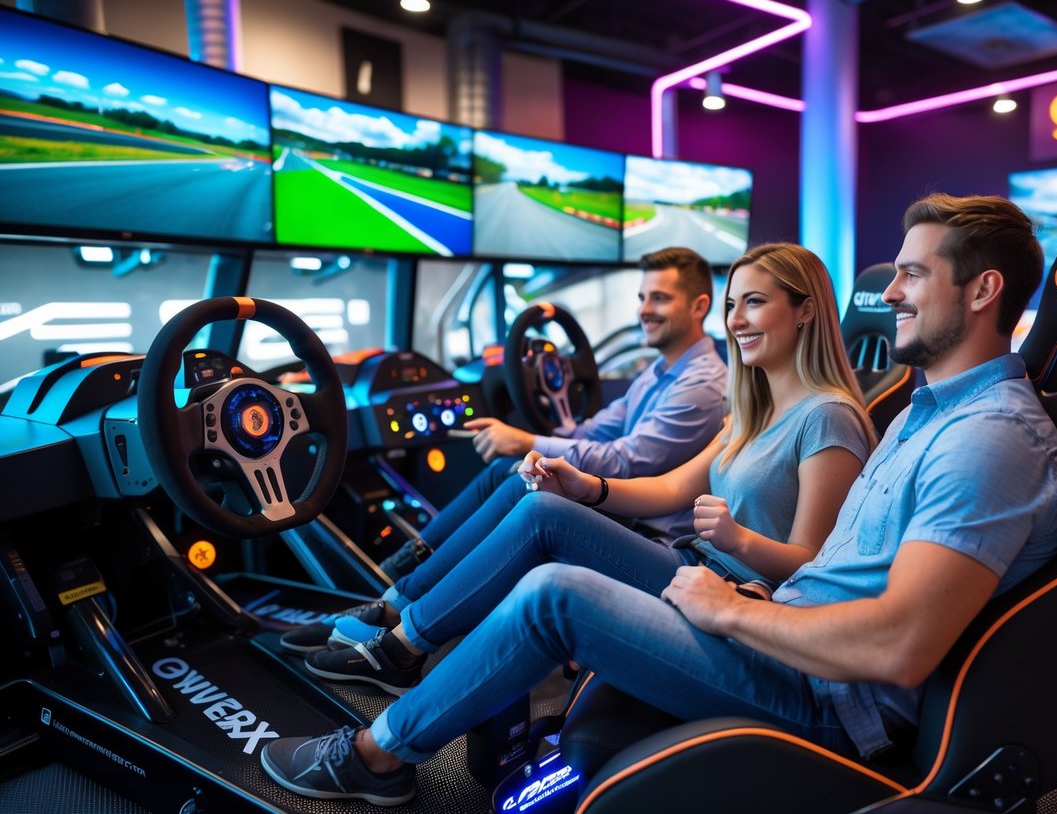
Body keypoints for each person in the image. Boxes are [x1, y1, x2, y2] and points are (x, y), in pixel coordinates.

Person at [261, 194, 1057, 808]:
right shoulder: (926, 413)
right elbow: (828, 570)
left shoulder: (987, 438)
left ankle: (374, 757)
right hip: (782, 631)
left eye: (911, 274)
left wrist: (733, 609)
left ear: (981, 291)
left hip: (824, 695)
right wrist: (740, 593)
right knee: (543, 517)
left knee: (553, 595)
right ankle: (397, 641)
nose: (888, 292)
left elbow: (898, 647)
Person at [297, 244, 877, 695]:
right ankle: (398, 621)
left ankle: (399, 639)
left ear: (805, 311)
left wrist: (737, 539)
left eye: (754, 302)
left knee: (538, 512)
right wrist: (585, 486)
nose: (737, 320)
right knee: (534, 496)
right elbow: (669, 484)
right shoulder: (752, 407)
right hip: (690, 560)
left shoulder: (822, 416)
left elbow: (810, 566)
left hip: (727, 587)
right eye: (733, 304)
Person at [280, 246, 729, 653]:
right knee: (507, 471)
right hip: (629, 510)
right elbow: (596, 430)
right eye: (642, 297)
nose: (644, 310)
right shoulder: (659, 371)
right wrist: (549, 420)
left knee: (524, 485)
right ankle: (394, 591)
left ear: (699, 306)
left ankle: (396, 610)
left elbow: (627, 461)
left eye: (659, 299)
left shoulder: (701, 386)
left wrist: (526, 440)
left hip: (648, 530)